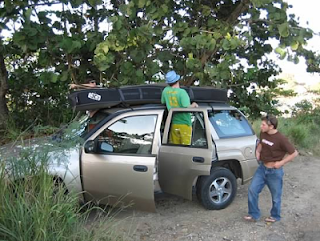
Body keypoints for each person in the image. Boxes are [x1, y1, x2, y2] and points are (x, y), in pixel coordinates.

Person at [244, 115, 298, 223]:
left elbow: (294, 153)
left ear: (271, 126)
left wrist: (281, 163)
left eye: (263, 125)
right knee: (252, 190)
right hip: (262, 168)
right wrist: (258, 152)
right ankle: (254, 214)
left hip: (274, 171)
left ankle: (275, 216)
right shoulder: (263, 133)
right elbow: (261, 143)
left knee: (275, 196)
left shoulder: (281, 139)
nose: (261, 126)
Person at [161, 70, 198, 145]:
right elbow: (186, 107)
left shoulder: (165, 91)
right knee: (185, 149)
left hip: (174, 123)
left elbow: (163, 102)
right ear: (177, 80)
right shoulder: (182, 92)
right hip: (185, 124)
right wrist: (194, 105)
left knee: (174, 148)